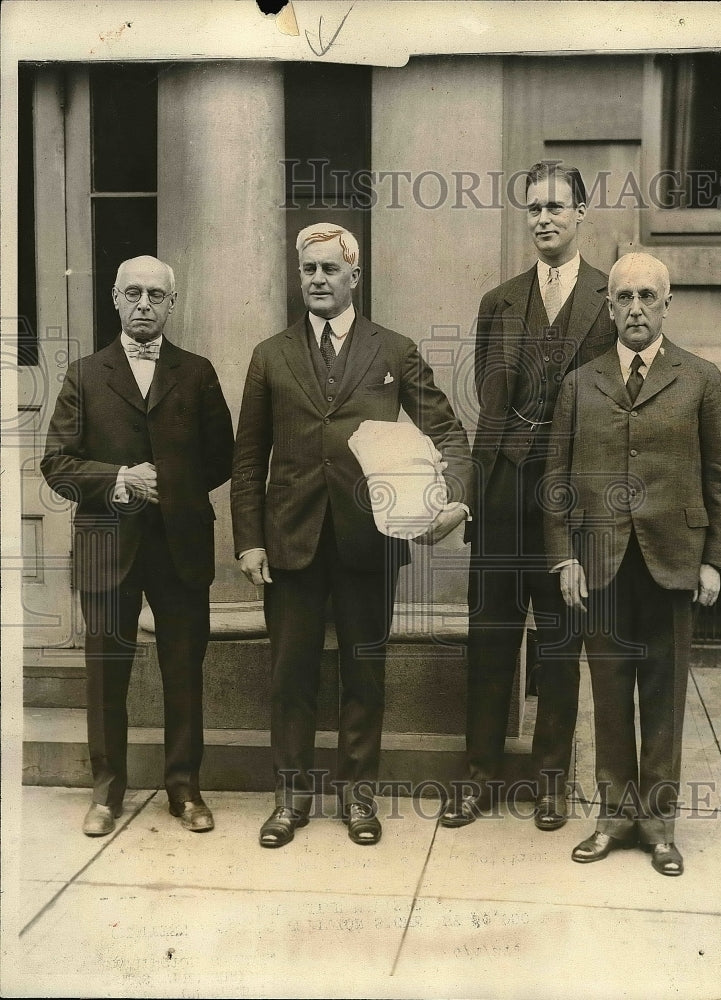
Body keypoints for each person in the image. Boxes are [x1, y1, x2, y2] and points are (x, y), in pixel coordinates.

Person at [231, 223, 473, 848]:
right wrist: (249, 540)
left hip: (371, 540)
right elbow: (248, 459)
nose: (316, 280)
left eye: (328, 270)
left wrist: (456, 498)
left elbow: (448, 434)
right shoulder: (271, 355)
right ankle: (291, 799)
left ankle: (358, 796)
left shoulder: (392, 350)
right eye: (307, 269)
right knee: (292, 675)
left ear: (354, 277)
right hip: (291, 540)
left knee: (364, 674)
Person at [543, 252, 721, 875]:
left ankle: (658, 825)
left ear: (667, 303)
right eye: (623, 297)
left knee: (664, 696)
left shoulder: (701, 378)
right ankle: (612, 817)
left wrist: (716, 562)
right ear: (609, 307)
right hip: (600, 563)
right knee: (608, 696)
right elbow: (556, 479)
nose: (635, 308)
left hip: (674, 561)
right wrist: (563, 558)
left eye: (647, 297)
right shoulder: (580, 383)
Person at [441, 161, 616, 830]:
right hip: (501, 493)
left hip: (568, 501)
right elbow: (491, 406)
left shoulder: (609, 297)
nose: (543, 217)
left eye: (555, 206)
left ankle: (550, 780)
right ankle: (478, 773)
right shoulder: (500, 301)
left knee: (559, 644)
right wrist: (473, 495)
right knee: (488, 639)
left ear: (579, 214)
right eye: (533, 207)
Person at [41, 255, 234, 837]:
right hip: (107, 545)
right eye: (133, 294)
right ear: (116, 301)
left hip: (180, 545)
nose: (144, 305)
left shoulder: (197, 372)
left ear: (172, 304)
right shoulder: (84, 374)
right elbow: (57, 464)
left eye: (156, 295)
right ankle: (106, 792)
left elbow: (221, 457)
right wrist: (120, 479)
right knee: (106, 675)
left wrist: (166, 485)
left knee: (184, 671)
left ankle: (186, 789)